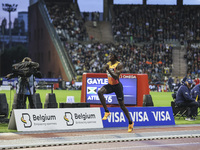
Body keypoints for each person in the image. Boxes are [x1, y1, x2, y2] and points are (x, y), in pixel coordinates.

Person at [97, 51, 134, 133]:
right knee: (99, 92)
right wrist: (105, 68)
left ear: (115, 56)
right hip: (110, 85)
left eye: (111, 55)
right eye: (109, 55)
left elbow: (116, 77)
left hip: (117, 86)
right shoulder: (108, 63)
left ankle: (130, 123)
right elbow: (105, 68)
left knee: (122, 106)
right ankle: (106, 111)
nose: (110, 56)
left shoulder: (119, 65)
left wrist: (108, 70)